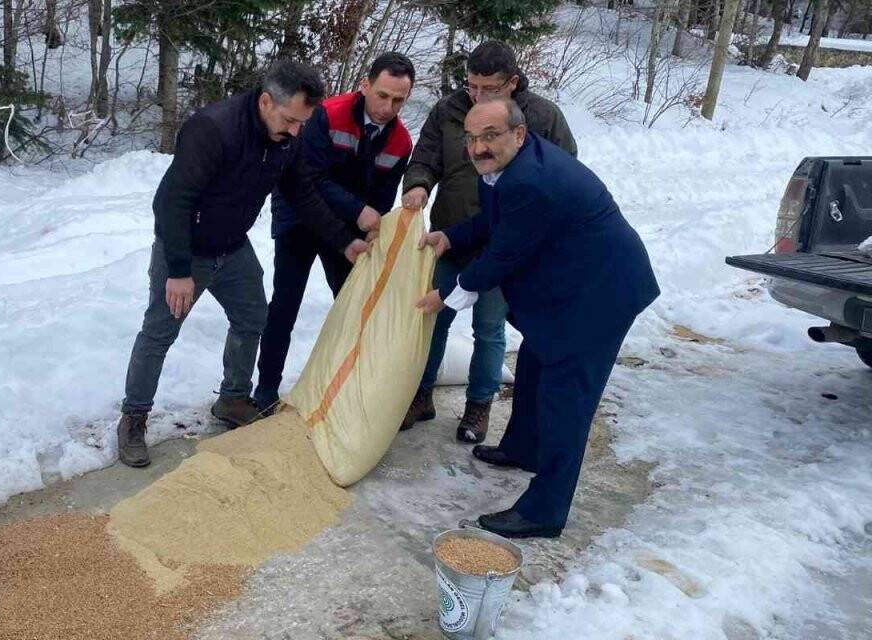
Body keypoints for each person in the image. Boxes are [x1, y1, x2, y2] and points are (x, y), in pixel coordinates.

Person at [416, 99, 659, 538]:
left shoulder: (531, 180)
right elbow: (494, 224)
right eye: (471, 137)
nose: (478, 147)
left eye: (490, 135)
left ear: (519, 134)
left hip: (599, 294)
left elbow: (503, 254)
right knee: (532, 365)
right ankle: (523, 447)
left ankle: (544, 510)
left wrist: (446, 295)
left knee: (567, 400)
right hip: (571, 286)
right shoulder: (507, 168)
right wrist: (450, 237)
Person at [116, 60, 369, 468]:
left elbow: (301, 193)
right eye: (290, 119)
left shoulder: (289, 134)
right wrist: (178, 271)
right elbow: (171, 202)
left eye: (302, 122)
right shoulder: (213, 129)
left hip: (233, 249)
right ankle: (134, 418)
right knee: (159, 332)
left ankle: (233, 399)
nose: (295, 130)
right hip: (186, 251)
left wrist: (343, 242)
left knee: (253, 317)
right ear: (266, 101)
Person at [400, 40, 578, 443]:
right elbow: (425, 157)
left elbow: (562, 174)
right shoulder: (448, 110)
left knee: (490, 326)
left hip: (504, 245)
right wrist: (418, 186)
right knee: (432, 317)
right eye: (471, 87)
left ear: (512, 83)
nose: (478, 96)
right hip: (451, 234)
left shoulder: (542, 118)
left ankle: (478, 407)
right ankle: (419, 395)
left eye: (489, 89)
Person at [252, 52, 416, 411]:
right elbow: (308, 178)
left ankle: (348, 385)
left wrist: (375, 226)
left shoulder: (401, 142)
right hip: (298, 214)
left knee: (354, 301)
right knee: (286, 301)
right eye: (383, 95)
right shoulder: (329, 113)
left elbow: (382, 197)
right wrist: (360, 212)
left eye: (399, 100)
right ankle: (265, 389)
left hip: (345, 228)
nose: (388, 107)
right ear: (365, 85)